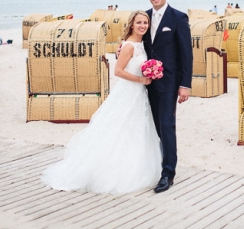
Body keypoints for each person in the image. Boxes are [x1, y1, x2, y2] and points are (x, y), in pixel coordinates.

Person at [42, 11, 162, 194]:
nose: (143, 26)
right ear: (131, 24)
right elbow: (118, 71)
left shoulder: (140, 44)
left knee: (135, 129)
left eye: (145, 23)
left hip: (139, 94)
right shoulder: (129, 46)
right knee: (118, 128)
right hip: (129, 91)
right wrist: (141, 80)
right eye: (139, 22)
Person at [142, 0, 193, 193]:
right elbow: (135, 43)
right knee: (152, 126)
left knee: (166, 126)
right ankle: (154, 165)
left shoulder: (178, 18)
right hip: (145, 82)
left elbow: (186, 55)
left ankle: (168, 173)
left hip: (169, 82)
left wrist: (185, 85)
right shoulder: (143, 17)